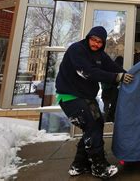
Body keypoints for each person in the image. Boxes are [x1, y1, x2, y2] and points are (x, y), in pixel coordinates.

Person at [55, 26, 134, 179]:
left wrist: (128, 76)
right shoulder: (77, 50)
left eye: (100, 42)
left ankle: (79, 165)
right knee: (91, 126)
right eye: (94, 40)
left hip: (86, 97)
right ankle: (99, 167)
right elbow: (87, 72)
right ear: (88, 37)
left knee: (97, 125)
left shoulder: (100, 55)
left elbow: (113, 68)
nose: (96, 44)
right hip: (70, 97)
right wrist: (116, 78)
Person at [102, 56, 124, 123]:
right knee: (113, 106)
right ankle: (110, 120)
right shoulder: (117, 69)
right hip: (112, 91)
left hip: (105, 92)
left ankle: (106, 122)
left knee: (106, 107)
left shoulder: (107, 69)